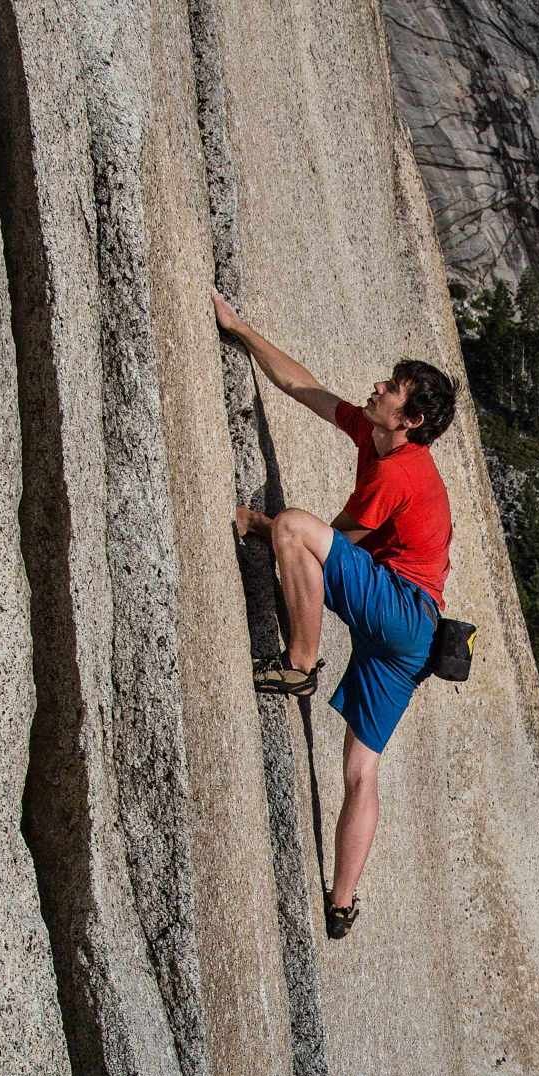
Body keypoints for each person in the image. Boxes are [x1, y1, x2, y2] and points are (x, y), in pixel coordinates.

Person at [214, 289, 456, 940]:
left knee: (293, 527)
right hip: (417, 635)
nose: (379, 386)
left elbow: (329, 541)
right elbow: (304, 387)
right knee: (360, 771)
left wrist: (257, 524)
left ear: (410, 420)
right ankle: (343, 901)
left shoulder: (397, 472)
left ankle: (299, 663)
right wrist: (241, 329)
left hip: (402, 612)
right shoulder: (378, 435)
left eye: (394, 388)